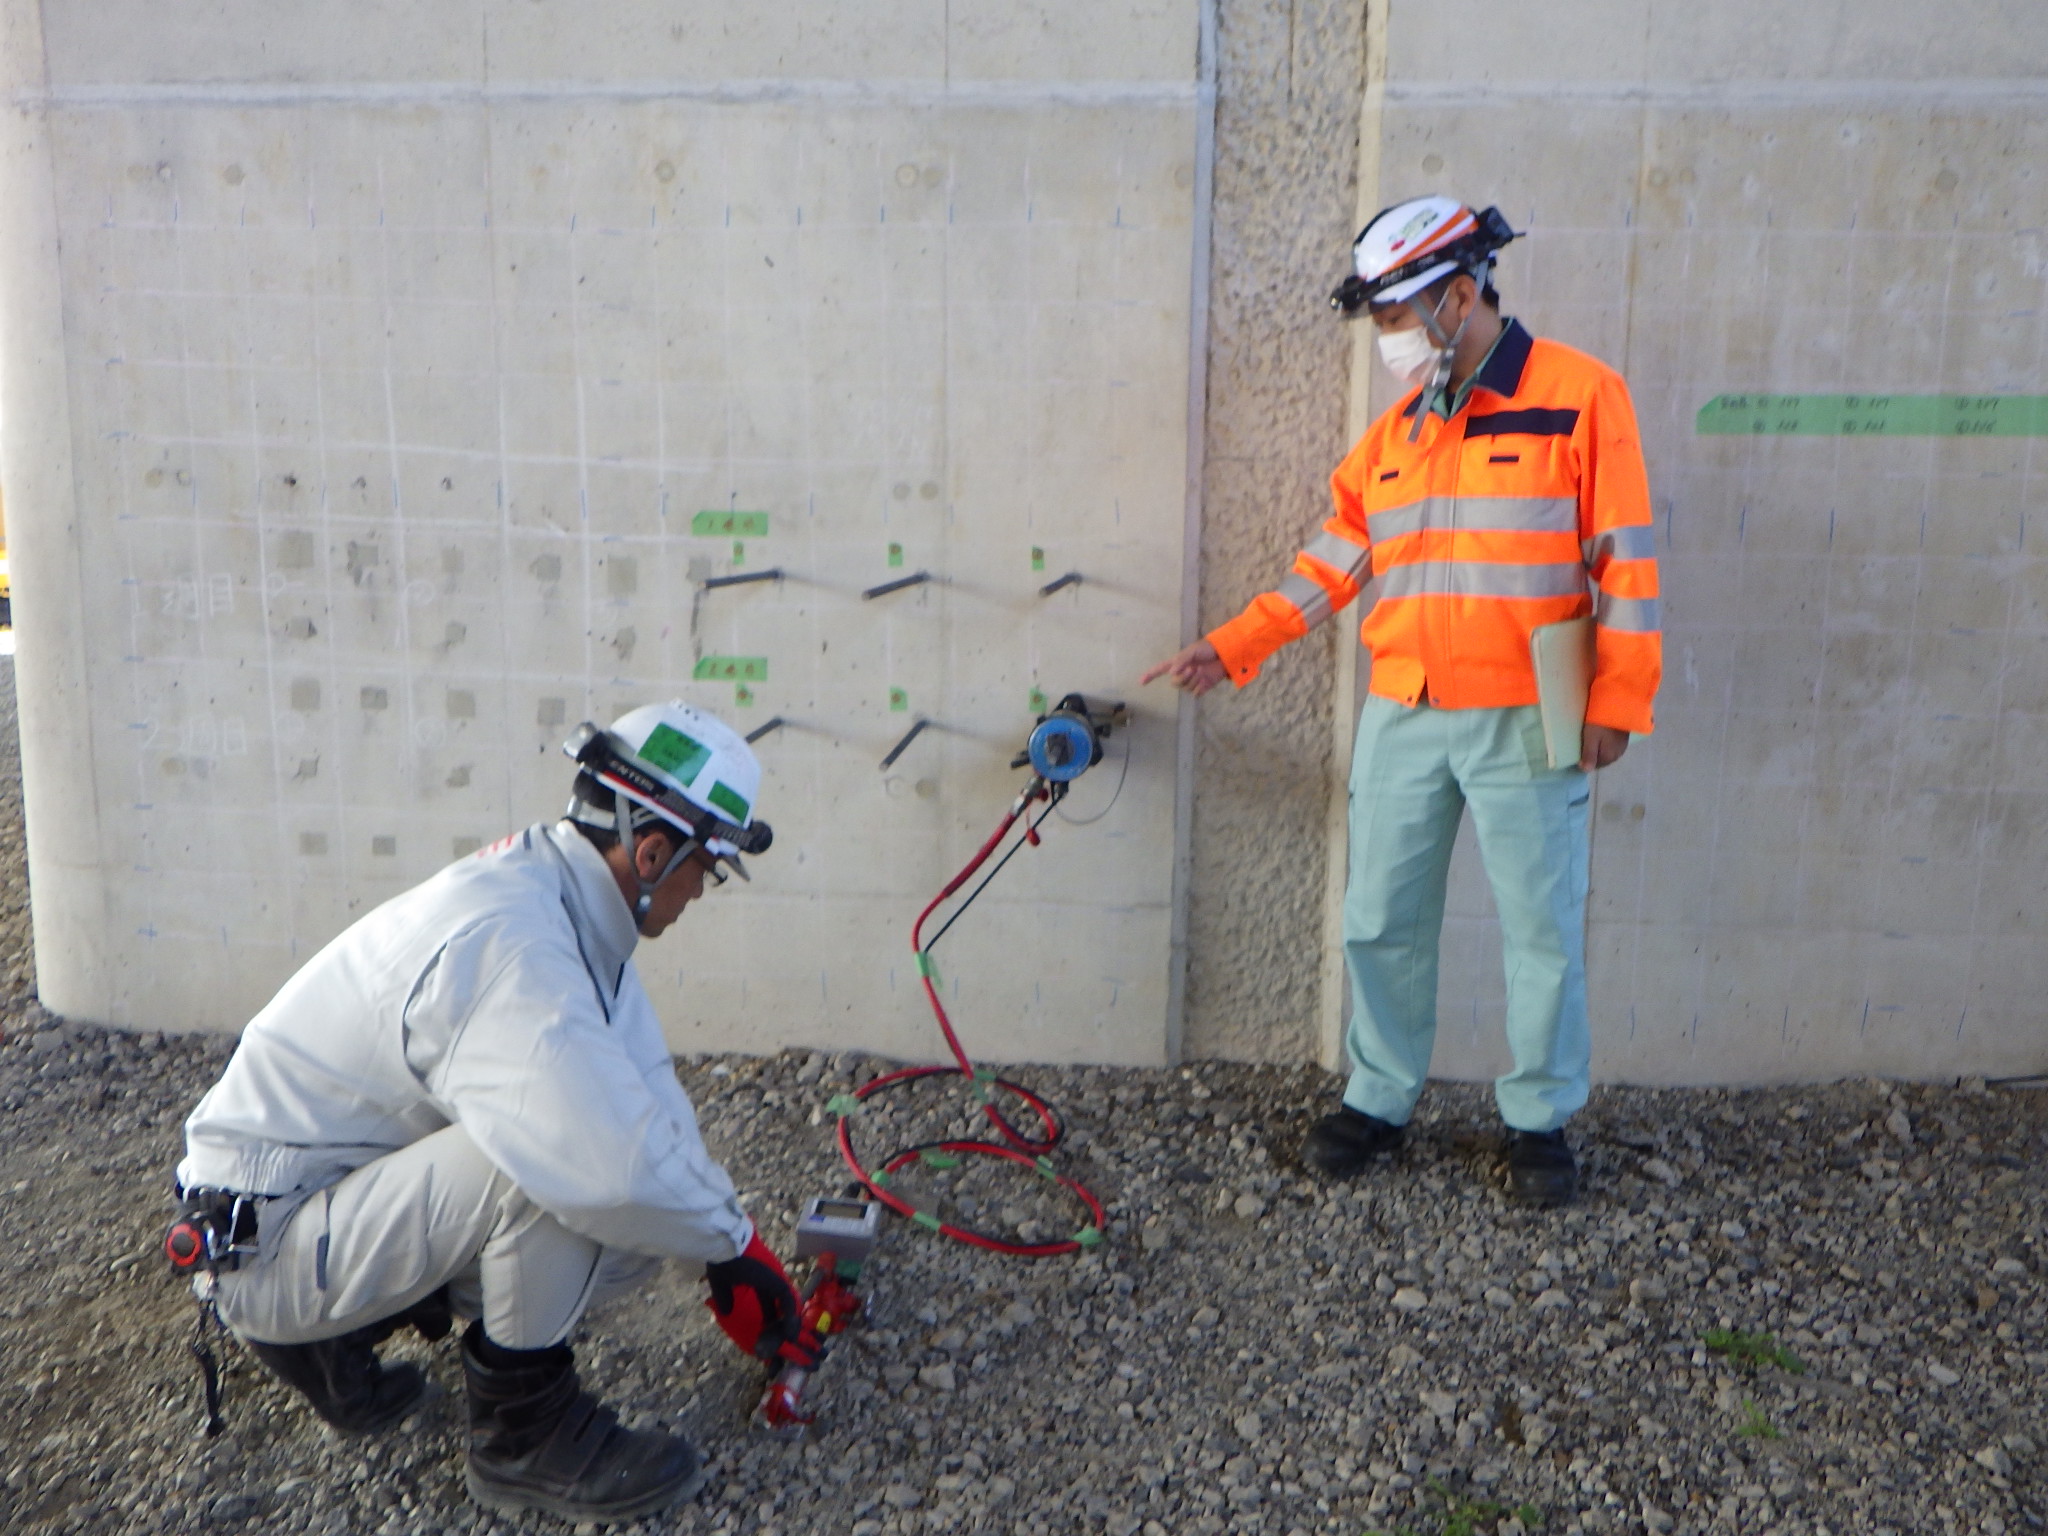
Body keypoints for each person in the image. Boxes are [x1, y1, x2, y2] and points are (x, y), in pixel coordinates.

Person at [170, 703, 817, 1522]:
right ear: (653, 852)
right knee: (559, 1173)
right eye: (709, 868)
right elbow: (610, 1166)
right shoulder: (513, 944)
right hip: (269, 1243)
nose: (702, 891)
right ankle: (524, 1439)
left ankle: (329, 1338)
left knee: (629, 1233)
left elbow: (642, 1088)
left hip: (309, 1195)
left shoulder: (561, 900)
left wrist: (729, 1246)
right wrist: (725, 1244)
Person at [1143, 197, 1661, 1207]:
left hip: (1529, 713)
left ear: (1458, 296)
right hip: (1405, 712)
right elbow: (1333, 561)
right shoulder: (1393, 438)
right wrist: (1231, 645)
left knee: (1541, 929)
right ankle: (1377, 1097)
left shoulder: (1579, 397)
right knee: (1378, 917)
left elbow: (1625, 563)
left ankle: (1538, 1121)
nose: (1384, 340)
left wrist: (1618, 700)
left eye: (1393, 317)